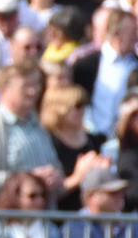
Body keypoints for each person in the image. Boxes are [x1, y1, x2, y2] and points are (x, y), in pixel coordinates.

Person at [0, 62, 63, 206]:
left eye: (36, 85)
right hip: (2, 224)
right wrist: (26, 179)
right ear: (4, 89)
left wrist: (55, 177)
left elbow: (56, 167)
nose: (33, 91)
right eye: (25, 86)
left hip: (40, 224)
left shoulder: (38, 126)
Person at [70, 8, 138, 137]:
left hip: (129, 140)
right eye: (133, 33)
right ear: (116, 34)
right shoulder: (85, 66)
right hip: (93, 139)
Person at [40, 82, 107, 211]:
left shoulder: (93, 141)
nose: (82, 111)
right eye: (77, 106)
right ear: (59, 109)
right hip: (59, 218)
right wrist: (78, 177)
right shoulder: (47, 142)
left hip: (89, 221)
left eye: (84, 105)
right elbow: (46, 192)